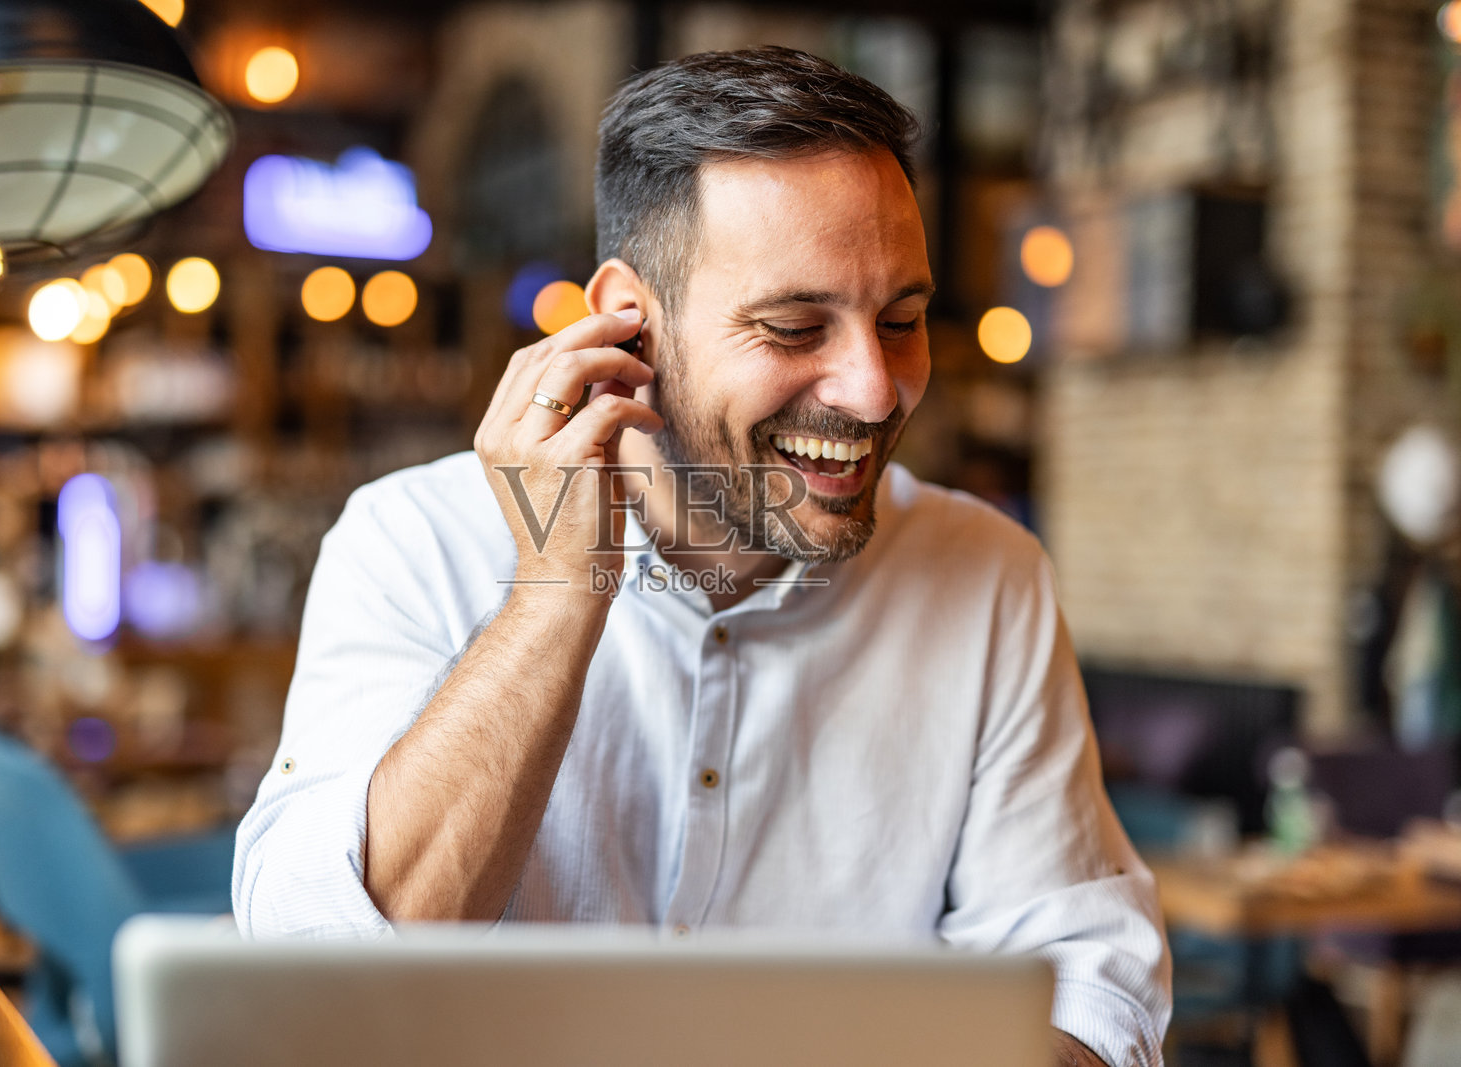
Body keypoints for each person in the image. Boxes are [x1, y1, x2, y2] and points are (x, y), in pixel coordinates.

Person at [233, 46, 1170, 1067]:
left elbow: (1087, 978)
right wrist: (554, 592)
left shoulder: (989, 576)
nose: (872, 388)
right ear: (628, 322)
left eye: (901, 319)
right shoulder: (412, 541)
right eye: (793, 324)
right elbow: (317, 984)